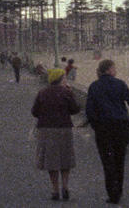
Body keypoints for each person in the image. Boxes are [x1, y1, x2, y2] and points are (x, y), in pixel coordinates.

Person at [85, 59, 129, 205]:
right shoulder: (119, 84)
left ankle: (112, 194)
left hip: (103, 130)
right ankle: (118, 191)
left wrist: (96, 126)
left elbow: (89, 111)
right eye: (114, 68)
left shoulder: (94, 86)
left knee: (108, 162)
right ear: (110, 70)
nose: (115, 71)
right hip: (120, 128)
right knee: (119, 160)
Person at [31, 68, 81, 201]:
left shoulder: (42, 93)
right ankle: (65, 188)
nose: (66, 80)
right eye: (64, 78)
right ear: (60, 79)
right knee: (65, 158)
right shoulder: (66, 92)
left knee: (51, 160)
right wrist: (71, 93)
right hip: (63, 129)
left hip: (46, 130)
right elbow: (75, 109)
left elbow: (34, 112)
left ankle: (55, 190)